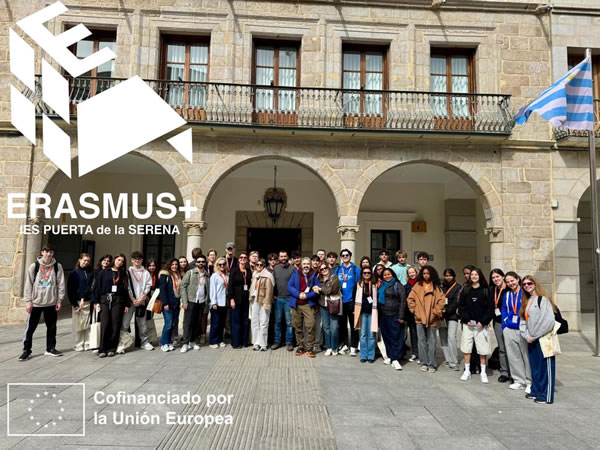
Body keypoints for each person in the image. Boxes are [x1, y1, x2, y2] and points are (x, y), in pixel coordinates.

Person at [19, 245, 66, 361]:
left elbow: (61, 284)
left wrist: (59, 300)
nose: (48, 254)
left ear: (53, 253)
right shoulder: (34, 266)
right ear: (42, 252)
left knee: (52, 327)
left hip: (51, 302)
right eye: (46, 251)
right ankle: (26, 350)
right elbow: (28, 284)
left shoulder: (57, 266)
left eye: (50, 252)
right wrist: (28, 301)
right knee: (30, 328)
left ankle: (50, 348)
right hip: (36, 303)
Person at [520, 276, 556, 404]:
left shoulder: (543, 300)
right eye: (524, 284)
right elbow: (523, 320)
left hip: (542, 339)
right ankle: (536, 390)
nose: (527, 286)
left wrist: (534, 335)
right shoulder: (527, 301)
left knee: (545, 368)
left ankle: (545, 395)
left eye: (529, 283)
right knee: (534, 367)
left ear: (535, 284)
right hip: (531, 339)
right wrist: (526, 335)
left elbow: (549, 321)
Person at [458, 268, 493, 383]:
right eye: (472, 274)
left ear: (480, 276)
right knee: (466, 348)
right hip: (468, 324)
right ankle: (467, 371)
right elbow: (461, 306)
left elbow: (490, 309)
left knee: (483, 349)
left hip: (481, 325)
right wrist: (466, 319)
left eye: (476, 274)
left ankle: (483, 372)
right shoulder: (466, 289)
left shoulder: (486, 290)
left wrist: (483, 321)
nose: (473, 276)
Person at [407, 265, 445, 373]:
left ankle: (432, 364)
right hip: (419, 318)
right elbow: (410, 299)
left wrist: (435, 313)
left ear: (432, 274)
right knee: (421, 341)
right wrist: (415, 311)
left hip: (432, 319)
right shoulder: (417, 286)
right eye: (424, 273)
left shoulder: (437, 287)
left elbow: (441, 302)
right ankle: (423, 362)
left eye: (428, 273)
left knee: (432, 342)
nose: (426, 275)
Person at [92, 254, 130, 358]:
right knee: (105, 323)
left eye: (122, 261)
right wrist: (95, 301)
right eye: (118, 260)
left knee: (115, 324)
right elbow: (97, 287)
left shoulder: (123, 274)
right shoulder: (104, 272)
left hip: (118, 300)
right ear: (114, 260)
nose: (120, 262)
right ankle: (103, 348)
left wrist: (127, 304)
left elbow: (126, 289)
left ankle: (112, 348)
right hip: (105, 299)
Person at [503, 271, 532, 393]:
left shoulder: (525, 293)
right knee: (513, 356)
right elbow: (504, 310)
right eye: (508, 282)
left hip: (522, 328)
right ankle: (519, 380)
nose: (510, 283)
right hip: (509, 328)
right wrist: (505, 325)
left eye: (512, 280)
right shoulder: (507, 295)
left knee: (526, 355)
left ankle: (530, 381)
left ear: (517, 279)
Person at [288, 257, 321, 357]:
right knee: (297, 326)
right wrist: (298, 294)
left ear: (310, 265)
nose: (306, 266)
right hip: (296, 303)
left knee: (310, 325)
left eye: (308, 264)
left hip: (308, 304)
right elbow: (290, 287)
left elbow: (317, 291)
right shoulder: (295, 274)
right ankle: (301, 346)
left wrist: (307, 295)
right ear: (301, 265)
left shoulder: (314, 275)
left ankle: (309, 347)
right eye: (304, 264)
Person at [377, 268, 408, 370]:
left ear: (393, 275)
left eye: (389, 274)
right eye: (385, 275)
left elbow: (403, 302)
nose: (387, 276)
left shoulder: (398, 285)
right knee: (386, 337)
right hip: (383, 315)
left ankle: (396, 358)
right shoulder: (381, 286)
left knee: (396, 337)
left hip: (395, 315)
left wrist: (401, 316)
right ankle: (390, 356)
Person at [123, 251, 153, 352]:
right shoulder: (128, 272)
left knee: (142, 324)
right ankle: (122, 343)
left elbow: (148, 286)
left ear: (142, 260)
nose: (137, 260)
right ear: (132, 260)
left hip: (141, 301)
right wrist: (133, 299)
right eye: (135, 259)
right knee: (125, 323)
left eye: (139, 259)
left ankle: (144, 342)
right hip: (130, 302)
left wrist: (141, 299)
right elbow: (126, 287)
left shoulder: (146, 272)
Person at [180, 254, 210, 353]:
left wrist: (207, 301)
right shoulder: (190, 273)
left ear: (205, 263)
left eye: (203, 262)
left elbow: (207, 289)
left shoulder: (207, 275)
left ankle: (192, 341)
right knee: (188, 323)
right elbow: (183, 286)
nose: (201, 263)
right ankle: (185, 343)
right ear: (196, 263)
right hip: (191, 301)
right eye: (199, 261)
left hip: (201, 302)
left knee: (197, 323)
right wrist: (184, 301)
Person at [334, 249, 360, 356]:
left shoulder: (355, 270)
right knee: (342, 325)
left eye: (347, 255)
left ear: (350, 256)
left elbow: (359, 285)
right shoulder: (338, 270)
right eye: (343, 255)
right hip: (341, 301)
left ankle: (353, 346)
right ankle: (344, 345)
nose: (345, 256)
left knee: (354, 325)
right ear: (341, 257)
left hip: (351, 301)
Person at [313, 263, 342, 356]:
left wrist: (320, 289)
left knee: (334, 328)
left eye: (325, 268)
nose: (324, 270)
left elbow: (331, 290)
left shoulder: (334, 278)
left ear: (328, 268)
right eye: (321, 269)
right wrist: (316, 288)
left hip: (333, 305)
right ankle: (329, 347)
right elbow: (315, 288)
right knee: (326, 328)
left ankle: (334, 347)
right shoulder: (319, 280)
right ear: (320, 271)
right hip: (323, 306)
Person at [67, 253, 94, 352]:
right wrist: (74, 304)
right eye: (84, 260)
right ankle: (78, 344)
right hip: (78, 302)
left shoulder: (91, 272)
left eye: (88, 261)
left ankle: (87, 343)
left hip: (88, 301)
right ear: (80, 260)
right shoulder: (74, 273)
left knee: (88, 324)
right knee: (78, 325)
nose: (86, 262)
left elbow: (90, 287)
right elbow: (70, 290)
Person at [353, 266, 379, 363]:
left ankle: (371, 355)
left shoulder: (375, 285)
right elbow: (354, 297)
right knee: (363, 334)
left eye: (368, 273)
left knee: (371, 335)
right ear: (362, 274)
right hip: (362, 313)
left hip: (373, 312)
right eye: (365, 273)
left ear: (371, 274)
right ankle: (363, 355)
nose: (367, 274)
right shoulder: (358, 285)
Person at [272, 250, 296, 351]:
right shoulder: (276, 268)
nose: (283, 258)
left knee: (289, 322)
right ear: (279, 258)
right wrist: (273, 294)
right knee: (277, 321)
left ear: (287, 257)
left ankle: (289, 342)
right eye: (281, 256)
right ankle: (277, 341)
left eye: (285, 256)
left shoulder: (293, 269)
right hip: (278, 298)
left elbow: (295, 284)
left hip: (289, 298)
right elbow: (273, 282)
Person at [490, 268, 511, 383]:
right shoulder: (492, 290)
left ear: (503, 277)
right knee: (502, 348)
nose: (495, 279)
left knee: (512, 348)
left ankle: (514, 372)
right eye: (493, 277)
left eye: (497, 276)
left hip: (510, 322)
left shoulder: (509, 289)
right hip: (498, 322)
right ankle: (504, 372)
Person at [228, 252, 252, 349]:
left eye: (245, 257)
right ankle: (236, 343)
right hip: (236, 298)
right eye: (241, 257)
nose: (243, 259)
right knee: (236, 321)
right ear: (239, 260)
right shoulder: (234, 271)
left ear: (247, 260)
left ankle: (244, 342)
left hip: (246, 299)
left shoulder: (248, 271)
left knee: (245, 320)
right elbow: (230, 286)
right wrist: (231, 299)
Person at [250, 258, 274, 351]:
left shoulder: (268, 275)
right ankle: (256, 343)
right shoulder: (255, 274)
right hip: (254, 300)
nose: (259, 266)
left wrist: (267, 303)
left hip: (263, 301)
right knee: (255, 322)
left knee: (264, 322)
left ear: (264, 266)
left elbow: (269, 291)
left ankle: (263, 344)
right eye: (257, 265)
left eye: (261, 265)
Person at [159, 258, 181, 352]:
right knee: (168, 323)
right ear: (169, 265)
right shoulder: (165, 275)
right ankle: (163, 343)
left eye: (176, 264)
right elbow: (163, 290)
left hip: (176, 302)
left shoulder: (178, 275)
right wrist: (165, 303)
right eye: (172, 264)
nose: (174, 266)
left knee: (172, 324)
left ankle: (169, 342)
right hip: (168, 303)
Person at [209, 257, 228, 348]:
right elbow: (212, 290)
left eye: (224, 264)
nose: (222, 266)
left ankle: (220, 340)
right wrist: (213, 302)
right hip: (217, 303)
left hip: (224, 303)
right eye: (220, 264)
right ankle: (213, 341)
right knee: (215, 323)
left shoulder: (227, 275)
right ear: (217, 265)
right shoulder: (214, 276)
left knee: (221, 323)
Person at [404, 266, 419, 362]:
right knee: (413, 334)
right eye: (410, 273)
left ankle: (422, 354)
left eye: (413, 272)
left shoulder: (421, 284)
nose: (412, 274)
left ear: (416, 273)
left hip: (420, 314)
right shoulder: (406, 286)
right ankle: (414, 353)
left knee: (421, 335)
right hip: (410, 314)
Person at [311, 254, 323, 353]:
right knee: (309, 324)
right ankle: (309, 343)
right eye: (314, 260)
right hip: (310, 301)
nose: (315, 262)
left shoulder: (321, 272)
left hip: (320, 302)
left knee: (319, 324)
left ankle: (318, 344)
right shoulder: (308, 272)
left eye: (317, 261)